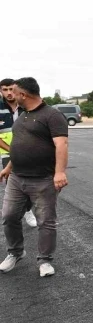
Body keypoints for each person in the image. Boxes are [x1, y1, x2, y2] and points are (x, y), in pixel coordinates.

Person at [0, 77, 68, 277]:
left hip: (42, 179)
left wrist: (60, 172)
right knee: (9, 216)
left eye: (15, 92)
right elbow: (19, 146)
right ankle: (16, 252)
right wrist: (9, 167)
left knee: (45, 221)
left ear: (24, 95)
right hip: (17, 177)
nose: (12, 95)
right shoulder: (22, 115)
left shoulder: (52, 115)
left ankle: (45, 260)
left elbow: (61, 145)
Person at [0, 78, 36, 227]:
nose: (9, 93)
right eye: (5, 89)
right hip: (7, 154)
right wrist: (13, 150)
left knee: (31, 183)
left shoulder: (26, 107)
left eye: (11, 89)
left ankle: (28, 210)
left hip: (29, 152)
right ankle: (16, 215)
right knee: (13, 184)